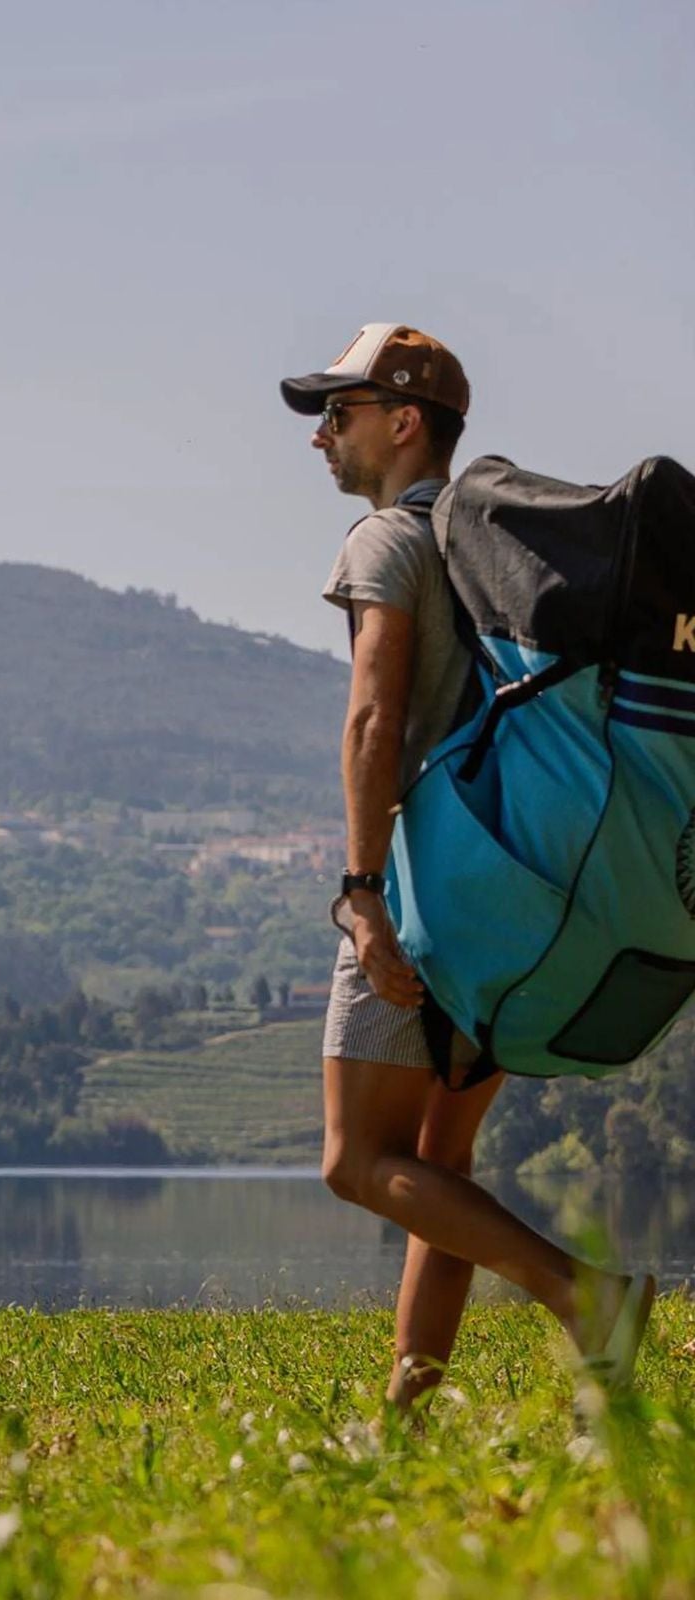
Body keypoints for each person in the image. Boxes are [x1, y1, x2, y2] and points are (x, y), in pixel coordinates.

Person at [281, 324, 655, 1409]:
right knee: (438, 1166)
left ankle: (586, 1298)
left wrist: (361, 896)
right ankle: (406, 1423)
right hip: (513, 885)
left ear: (404, 422)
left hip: (422, 890)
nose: (320, 436)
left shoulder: (385, 542)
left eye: (339, 413)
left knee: (357, 1162)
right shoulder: (490, 553)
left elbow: (373, 718)